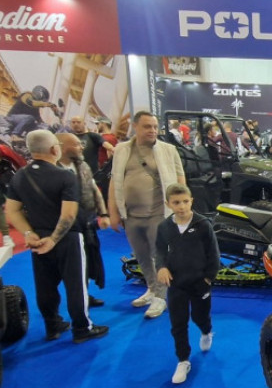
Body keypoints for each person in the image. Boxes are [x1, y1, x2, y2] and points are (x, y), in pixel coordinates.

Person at [5, 129, 109, 343]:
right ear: (54, 149)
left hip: (37, 238)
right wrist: (53, 239)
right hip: (67, 237)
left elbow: (12, 210)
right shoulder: (64, 176)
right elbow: (69, 214)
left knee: (45, 285)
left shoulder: (20, 176)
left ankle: (52, 325)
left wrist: (28, 233)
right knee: (76, 285)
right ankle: (82, 328)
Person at [108, 111, 186, 319]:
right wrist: (113, 212)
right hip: (131, 215)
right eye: (147, 126)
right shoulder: (122, 150)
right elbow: (114, 181)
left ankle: (161, 297)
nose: (152, 130)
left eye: (154, 126)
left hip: (159, 214)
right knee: (142, 256)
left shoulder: (168, 150)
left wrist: (181, 208)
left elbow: (180, 180)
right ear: (135, 127)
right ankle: (152, 289)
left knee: (160, 256)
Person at [156, 183, 220, 384]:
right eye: (176, 202)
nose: (182, 206)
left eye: (185, 201)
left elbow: (214, 254)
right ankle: (183, 360)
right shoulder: (164, 227)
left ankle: (206, 331)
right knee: (178, 323)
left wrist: (208, 278)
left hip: (200, 283)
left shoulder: (203, 225)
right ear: (168, 204)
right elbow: (159, 251)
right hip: (176, 285)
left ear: (191, 201)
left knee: (200, 316)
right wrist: (161, 267)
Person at [57, 132, 110, 307]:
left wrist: (103, 214)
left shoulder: (83, 166)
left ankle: (83, 295)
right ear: (62, 147)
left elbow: (94, 191)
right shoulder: (52, 169)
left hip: (86, 222)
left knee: (86, 260)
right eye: (76, 144)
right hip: (62, 226)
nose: (81, 147)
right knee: (66, 267)